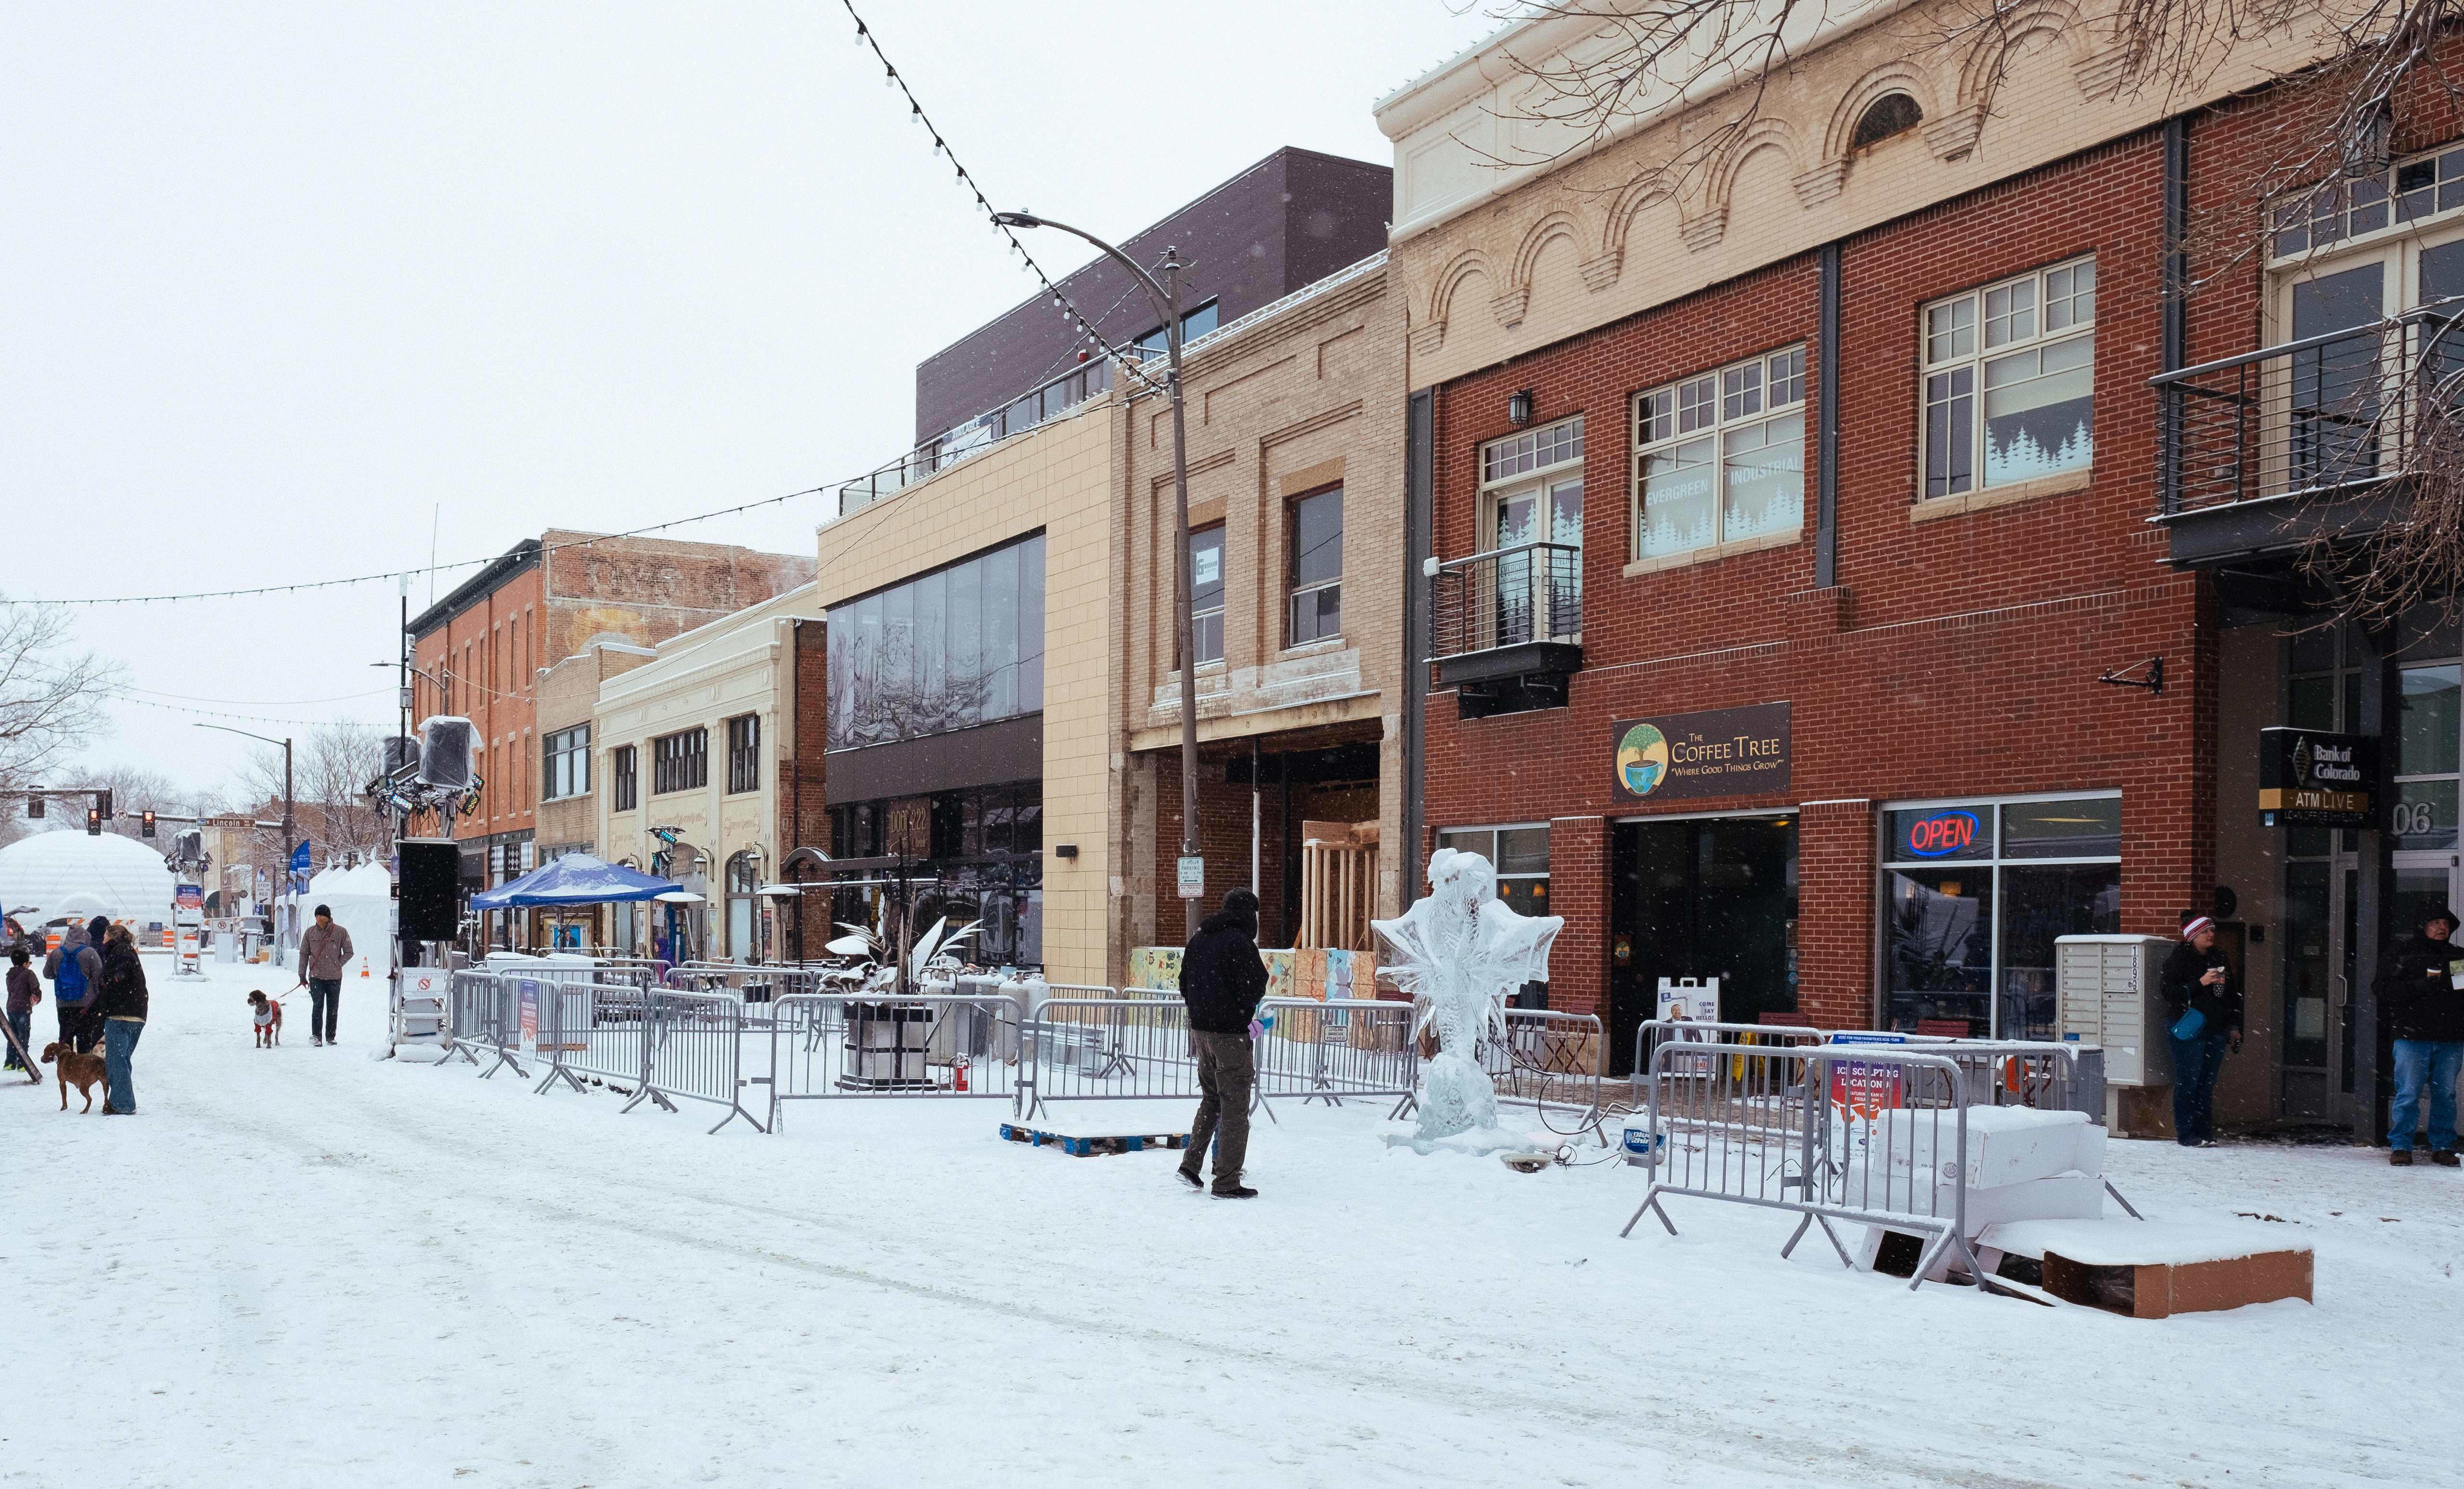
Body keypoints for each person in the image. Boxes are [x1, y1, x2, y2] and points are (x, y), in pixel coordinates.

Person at [1175, 888, 1269, 1199]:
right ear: (1248, 915)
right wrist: (1240, 1013)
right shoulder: (1239, 943)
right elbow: (1256, 982)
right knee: (1234, 1106)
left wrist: (1202, 1011)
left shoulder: (1200, 938)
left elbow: (1184, 981)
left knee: (1211, 1100)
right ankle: (1226, 1180)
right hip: (1229, 1035)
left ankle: (1190, 1165)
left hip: (1200, 1032)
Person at [2374, 905, 2463, 1167]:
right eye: (2435, 922)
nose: (2441, 927)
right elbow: (2381, 987)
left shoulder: (2458, 957)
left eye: (2445, 923)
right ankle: (2401, 1146)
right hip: (2411, 1038)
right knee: (2409, 1093)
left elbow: (2463, 991)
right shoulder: (2402, 952)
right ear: (2422, 926)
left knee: (2445, 1095)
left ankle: (2443, 1147)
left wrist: (2451, 990)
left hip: (2450, 1038)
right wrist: (2414, 987)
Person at [2159, 914, 2242, 1148]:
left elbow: (2233, 994)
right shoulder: (2179, 959)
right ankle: (2187, 1134)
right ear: (2193, 936)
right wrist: (2200, 983)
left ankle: (2205, 1132)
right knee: (2189, 1080)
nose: (2211, 935)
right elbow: (2168, 993)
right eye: (2206, 931)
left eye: (2213, 930)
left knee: (2207, 1082)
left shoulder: (2219, 957)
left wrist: (2235, 1026)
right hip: (2189, 1027)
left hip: (2216, 1027)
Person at [93, 923, 148, 1114]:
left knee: (116, 1062)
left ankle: (123, 1104)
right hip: (137, 1014)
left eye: (105, 938)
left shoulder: (120, 951)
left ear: (112, 938)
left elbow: (124, 971)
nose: (102, 941)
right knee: (122, 1060)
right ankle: (119, 1100)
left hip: (121, 1014)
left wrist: (112, 979)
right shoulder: (128, 951)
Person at [43, 918, 105, 1055]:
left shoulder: (57, 952)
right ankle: (81, 1069)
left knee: (65, 1038)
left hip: (63, 1002)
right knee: (84, 1037)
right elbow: (98, 977)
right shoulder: (90, 953)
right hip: (85, 1004)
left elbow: (47, 974)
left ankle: (66, 1068)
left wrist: (62, 977)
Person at [295, 904, 353, 1048]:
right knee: (318, 1006)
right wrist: (302, 974)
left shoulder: (340, 932)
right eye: (317, 916)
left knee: (333, 1008)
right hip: (316, 977)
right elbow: (304, 954)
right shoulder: (310, 933)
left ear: (328, 917)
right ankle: (316, 1036)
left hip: (335, 977)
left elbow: (349, 952)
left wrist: (338, 964)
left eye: (321, 916)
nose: (319, 918)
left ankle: (330, 1036)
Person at [4, 946, 39, 1072]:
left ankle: (10, 1062)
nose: (30, 965)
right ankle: (23, 1062)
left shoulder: (10, 974)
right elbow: (35, 989)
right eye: (29, 962)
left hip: (11, 1007)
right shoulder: (28, 974)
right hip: (22, 1009)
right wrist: (37, 998)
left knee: (12, 1036)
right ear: (25, 964)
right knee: (23, 1036)